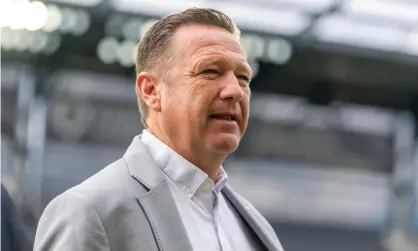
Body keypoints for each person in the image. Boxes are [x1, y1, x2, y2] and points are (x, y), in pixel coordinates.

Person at [33, 8, 284, 251]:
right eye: (209, 71)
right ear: (151, 91)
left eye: (243, 78)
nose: (235, 91)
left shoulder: (255, 225)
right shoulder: (88, 211)